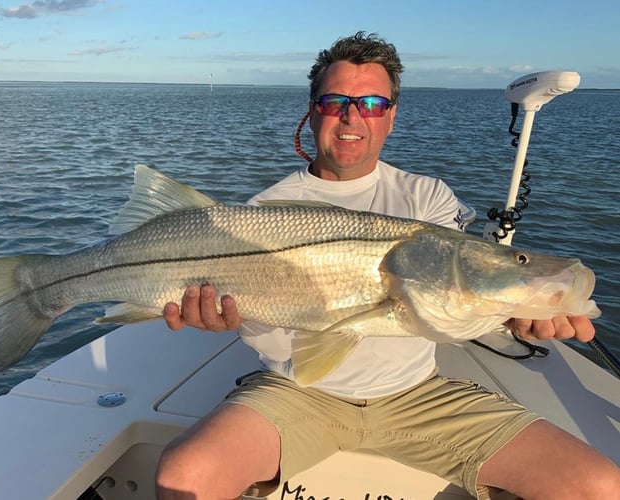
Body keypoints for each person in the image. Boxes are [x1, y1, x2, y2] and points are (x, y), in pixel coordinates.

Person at [155, 32, 620, 500]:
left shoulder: (427, 198)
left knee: (599, 485)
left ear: (391, 116)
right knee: (185, 475)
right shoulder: (266, 212)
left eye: (373, 103)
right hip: (297, 391)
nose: (352, 116)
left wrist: (518, 315)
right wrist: (221, 317)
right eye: (335, 101)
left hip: (417, 395)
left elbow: (451, 301)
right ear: (313, 109)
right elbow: (274, 339)